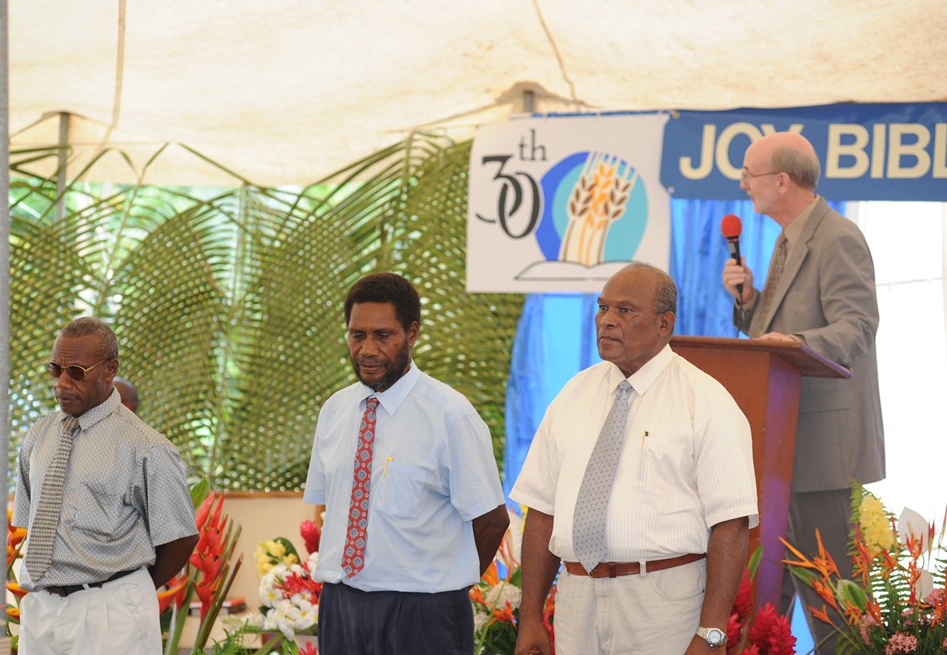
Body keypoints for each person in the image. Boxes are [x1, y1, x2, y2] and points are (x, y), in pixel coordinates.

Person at [512, 263, 758, 655]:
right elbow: (542, 511)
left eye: (625, 311)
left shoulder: (707, 403)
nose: (607, 321)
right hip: (576, 596)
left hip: (660, 600)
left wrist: (712, 633)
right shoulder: (572, 395)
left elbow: (731, 525)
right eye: (603, 308)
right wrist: (530, 617)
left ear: (664, 324)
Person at [721, 131, 884, 653]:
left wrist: (796, 341)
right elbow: (772, 336)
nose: (743, 184)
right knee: (769, 608)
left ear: (782, 181)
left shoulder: (837, 237)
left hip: (823, 454)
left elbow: (857, 327)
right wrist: (750, 301)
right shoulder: (787, 239)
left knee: (835, 614)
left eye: (749, 174)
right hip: (783, 450)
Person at [303, 272, 510, 655]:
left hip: (423, 614)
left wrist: (445, 586)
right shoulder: (334, 410)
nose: (367, 349)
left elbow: (492, 520)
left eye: (383, 336)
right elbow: (329, 507)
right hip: (341, 607)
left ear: (411, 334)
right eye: (357, 335)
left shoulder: (450, 415)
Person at [12, 316, 200, 654]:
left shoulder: (145, 446)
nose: (62, 384)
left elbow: (182, 536)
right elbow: (31, 523)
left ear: (109, 370)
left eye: (76, 372)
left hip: (111, 613)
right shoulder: (38, 437)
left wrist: (128, 589)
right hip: (42, 611)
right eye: (55, 369)